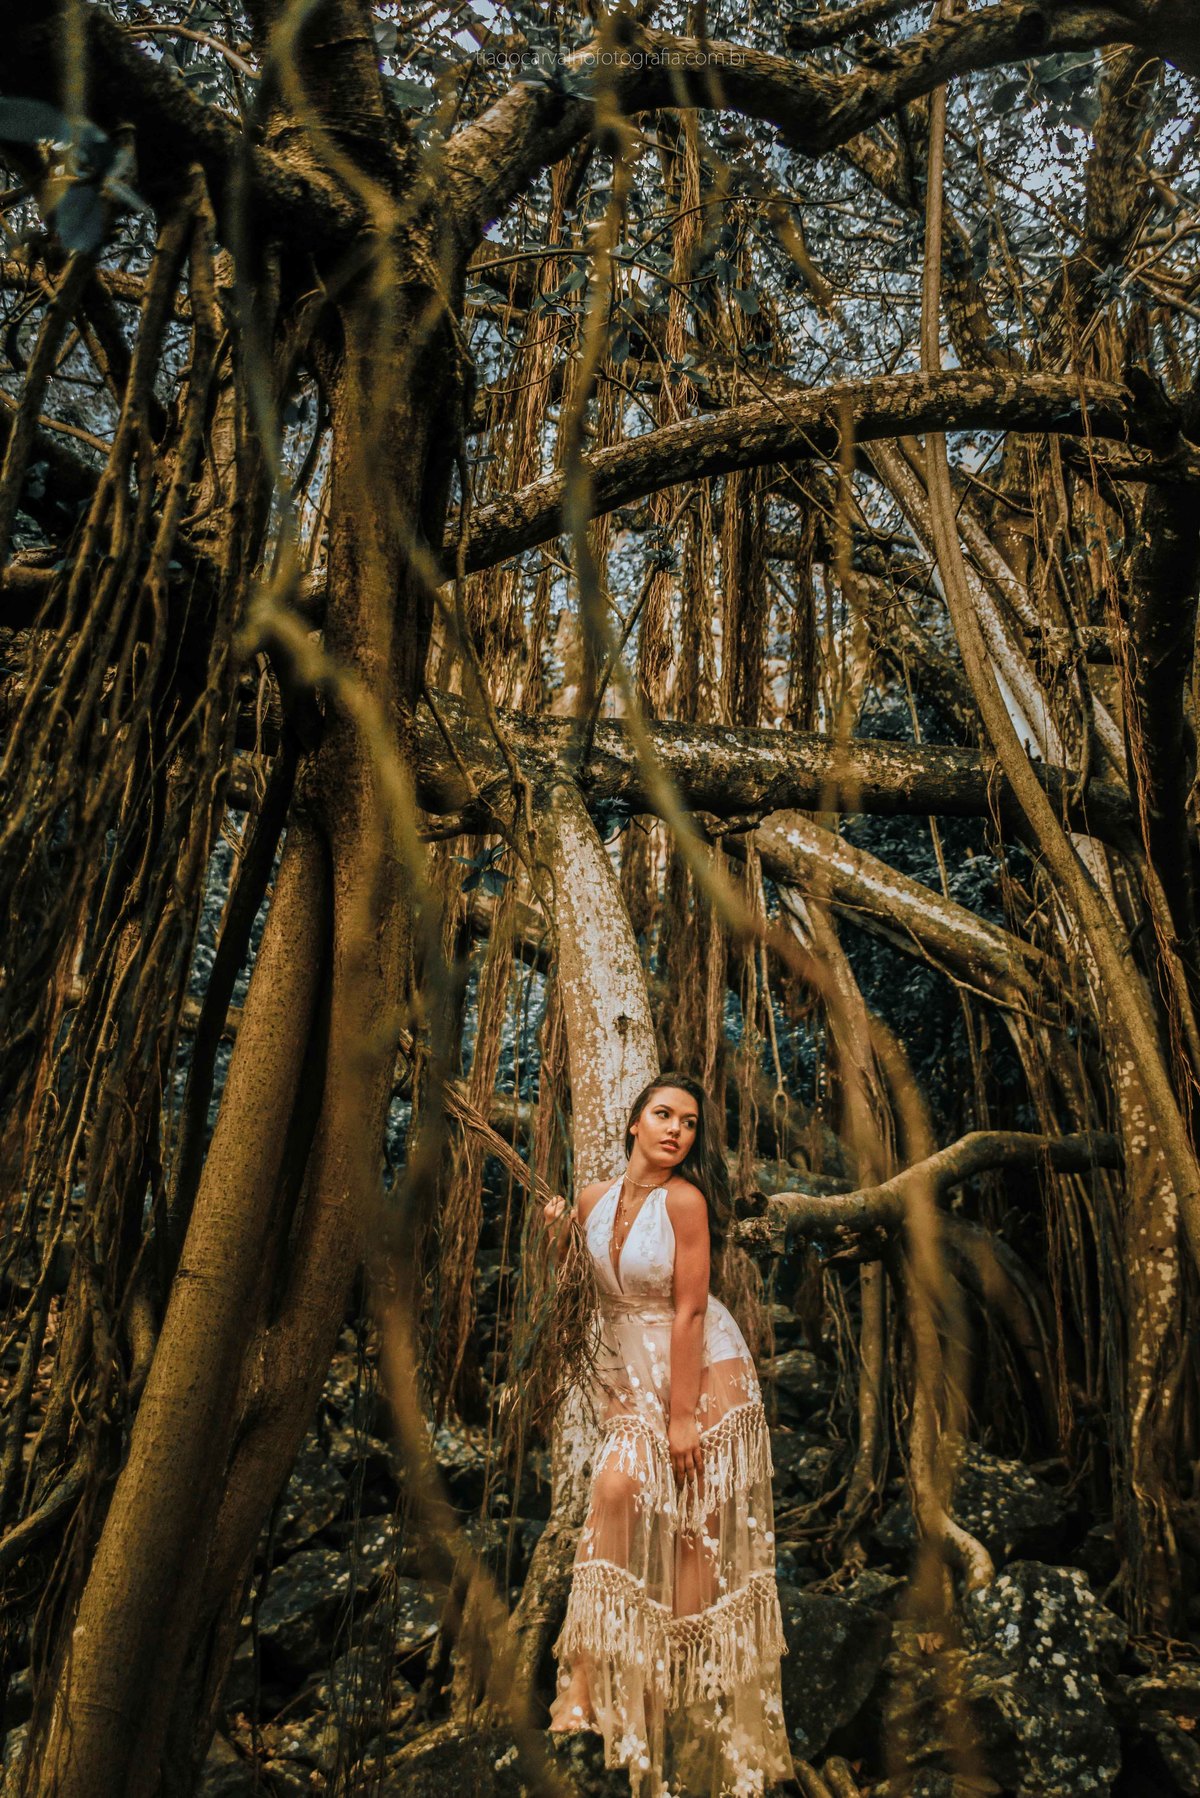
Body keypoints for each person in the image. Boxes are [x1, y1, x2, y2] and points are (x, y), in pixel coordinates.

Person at [540, 1073, 794, 1798]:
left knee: (693, 1532)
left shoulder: (686, 1202)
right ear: (634, 1123)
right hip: (627, 1373)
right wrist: (558, 1238)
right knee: (616, 1490)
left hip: (702, 1371)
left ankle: (667, 1694)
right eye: (663, 1114)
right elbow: (583, 1289)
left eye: (688, 1122)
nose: (676, 1129)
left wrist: (682, 1418)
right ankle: (583, 1684)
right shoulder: (591, 1198)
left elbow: (689, 1310)